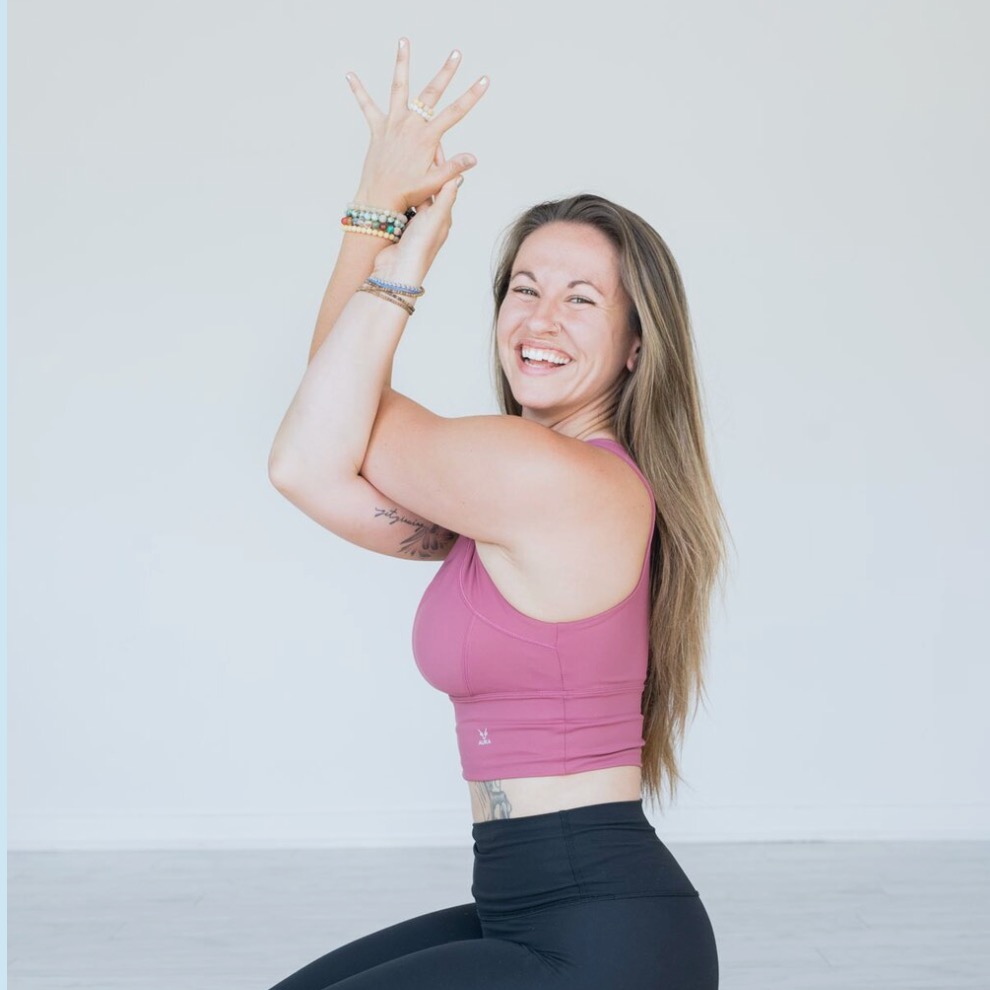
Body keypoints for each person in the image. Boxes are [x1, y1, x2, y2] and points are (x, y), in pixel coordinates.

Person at [267, 37, 727, 990]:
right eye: (524, 288)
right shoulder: (502, 504)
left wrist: (383, 222)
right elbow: (312, 453)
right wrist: (379, 224)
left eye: (581, 299)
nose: (541, 319)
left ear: (636, 347)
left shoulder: (557, 480)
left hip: (601, 940)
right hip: (527, 906)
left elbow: (337, 403)